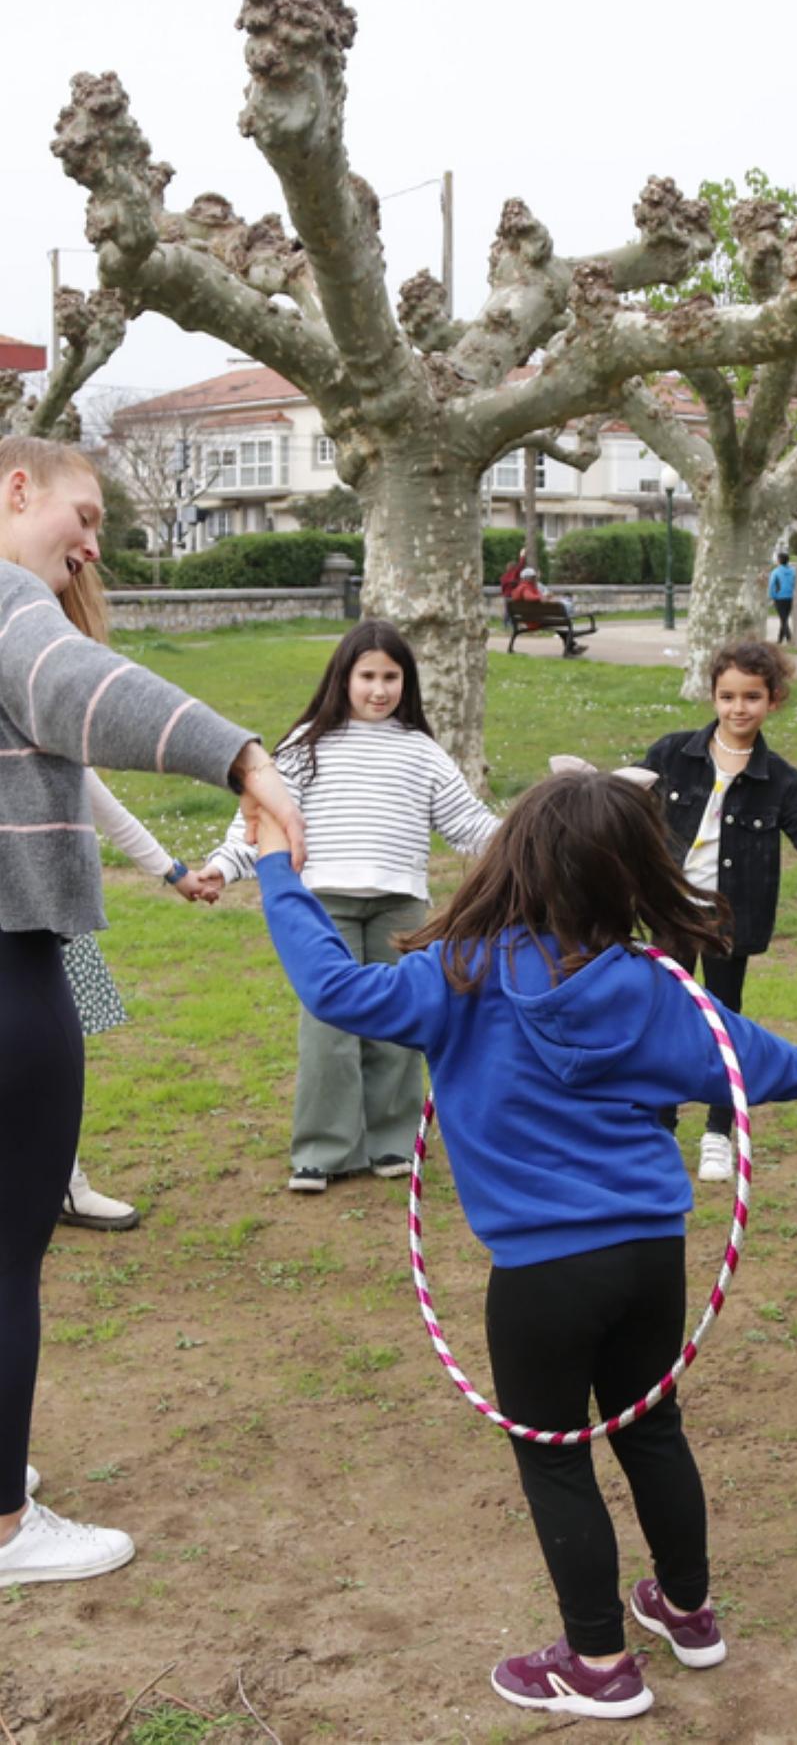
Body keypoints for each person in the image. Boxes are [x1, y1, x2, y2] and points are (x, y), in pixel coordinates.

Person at [251, 766, 797, 1719]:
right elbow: (742, 1052)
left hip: (540, 1273)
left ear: (513, 862)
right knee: (651, 1427)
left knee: (557, 1453)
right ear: (631, 878)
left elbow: (334, 988)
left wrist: (277, 867)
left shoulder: (459, 973)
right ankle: (688, 1613)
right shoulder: (652, 988)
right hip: (651, 1253)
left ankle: (599, 1666)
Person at [0, 433, 302, 1588]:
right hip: (15, 960)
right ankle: (7, 1530)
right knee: (6, 1255)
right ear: (16, 488)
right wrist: (241, 758)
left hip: (35, 949)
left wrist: (170, 861)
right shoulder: (11, 602)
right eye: (81, 512)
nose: (90, 541)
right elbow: (78, 685)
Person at [196, 619, 497, 1193]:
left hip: (400, 905)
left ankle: (393, 1142)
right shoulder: (303, 745)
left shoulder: (423, 752)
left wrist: (535, 838)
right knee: (328, 1026)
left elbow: (470, 826)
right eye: (368, 676)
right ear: (344, 678)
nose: (379, 690)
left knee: (399, 1025)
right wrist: (223, 865)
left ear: (406, 683)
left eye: (392, 677)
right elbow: (256, 821)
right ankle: (323, 1149)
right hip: (323, 904)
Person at [639, 641, 797, 1180]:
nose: (738, 708)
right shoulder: (670, 755)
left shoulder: (778, 778)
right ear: (712, 696)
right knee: (662, 1017)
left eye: (752, 697)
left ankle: (717, 1130)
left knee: (721, 1022)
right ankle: (660, 1124)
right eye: (727, 696)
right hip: (671, 911)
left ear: (772, 700)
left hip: (730, 922)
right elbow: (624, 803)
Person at [58, 564, 213, 1231]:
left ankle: (61, 1180)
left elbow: (98, 798)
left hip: (50, 911)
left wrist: (172, 869)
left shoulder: (44, 697)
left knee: (57, 1051)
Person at [767, 548, 796, 644]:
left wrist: (772, 596)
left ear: (779, 560)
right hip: (790, 597)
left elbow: (772, 585)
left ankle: (789, 639)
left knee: (783, 619)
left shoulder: (776, 571)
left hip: (779, 597)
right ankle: (780, 640)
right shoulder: (793, 571)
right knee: (784, 618)